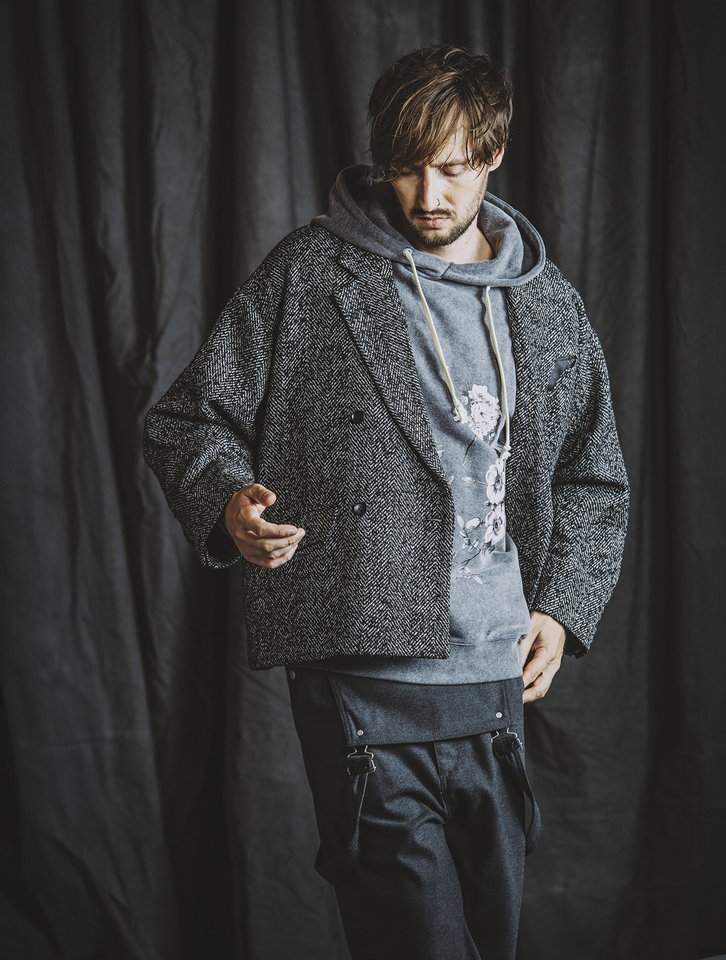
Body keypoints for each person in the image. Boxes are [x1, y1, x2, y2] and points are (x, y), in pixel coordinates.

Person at [142, 42, 630, 960]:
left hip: (493, 682)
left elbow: (592, 473)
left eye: (453, 168)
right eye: (405, 168)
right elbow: (188, 419)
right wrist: (230, 505)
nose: (428, 195)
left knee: (490, 937)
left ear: (493, 155)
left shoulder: (546, 304)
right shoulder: (312, 274)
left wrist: (563, 607)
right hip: (360, 677)